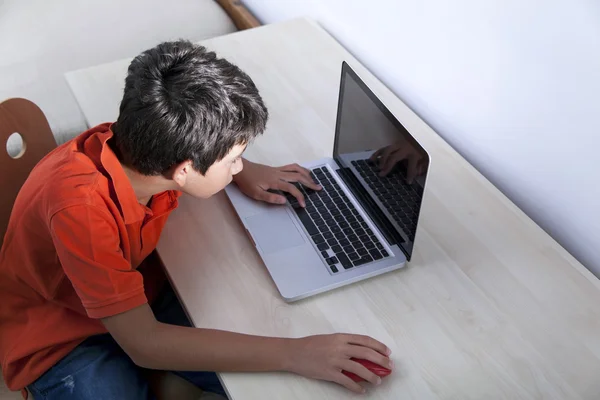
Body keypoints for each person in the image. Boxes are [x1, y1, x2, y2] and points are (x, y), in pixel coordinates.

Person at [0, 40, 393, 399]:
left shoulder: (139, 143)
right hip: (60, 332)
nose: (237, 165)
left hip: (135, 293)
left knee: (264, 368)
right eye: (233, 159)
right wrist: (296, 352)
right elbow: (145, 344)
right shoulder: (81, 212)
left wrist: (246, 170)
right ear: (184, 170)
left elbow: (189, 156)